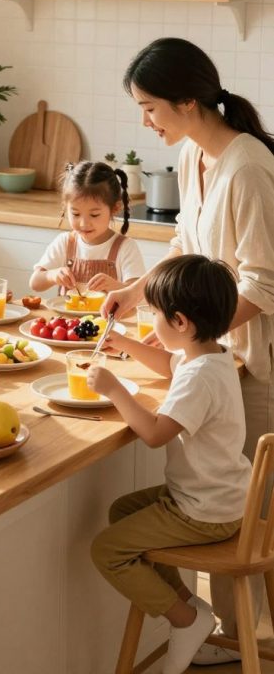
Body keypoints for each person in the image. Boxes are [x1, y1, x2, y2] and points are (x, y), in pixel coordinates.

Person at [101, 37, 274, 663]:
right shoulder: (198, 157)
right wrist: (133, 290)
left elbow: (262, 282)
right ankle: (213, 633)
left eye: (151, 108)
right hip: (216, 350)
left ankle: (241, 643)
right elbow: (183, 243)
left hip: (251, 361)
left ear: (189, 99)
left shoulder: (248, 166)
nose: (145, 121)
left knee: (239, 516)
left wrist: (194, 331)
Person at [91, 255, 251, 674]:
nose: (153, 320)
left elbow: (156, 434)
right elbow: (168, 364)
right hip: (220, 496)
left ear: (180, 322)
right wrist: (124, 344)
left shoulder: (200, 379)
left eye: (156, 313)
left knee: (107, 550)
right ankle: (188, 605)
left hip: (204, 511)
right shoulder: (210, 355)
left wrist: (113, 391)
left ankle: (185, 618)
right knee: (121, 512)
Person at [29, 161, 145, 294]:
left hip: (109, 316)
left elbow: (140, 294)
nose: (84, 223)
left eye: (94, 215)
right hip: (68, 315)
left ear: (115, 208)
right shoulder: (65, 242)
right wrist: (53, 275)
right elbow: (35, 283)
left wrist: (115, 286)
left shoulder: (126, 247)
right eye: (76, 214)